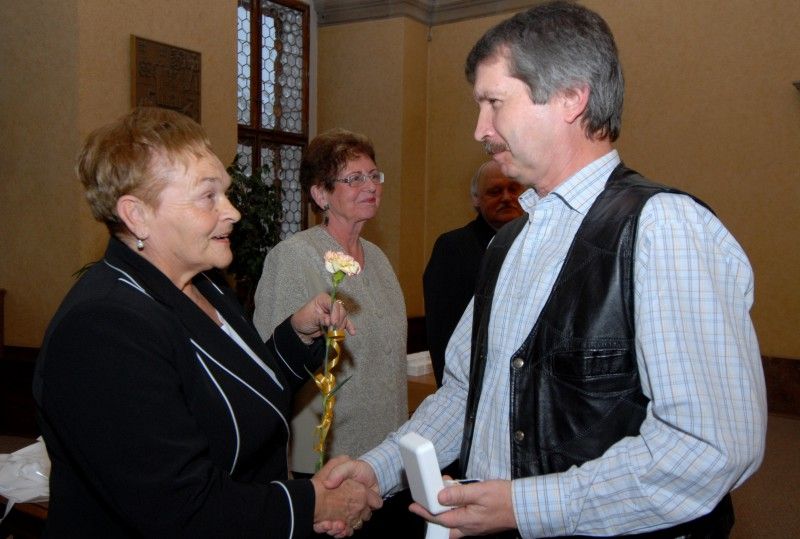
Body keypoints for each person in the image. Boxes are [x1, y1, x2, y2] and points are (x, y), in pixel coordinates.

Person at [326, 2, 767, 537]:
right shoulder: (509, 243)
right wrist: (379, 467)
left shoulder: (662, 228)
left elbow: (710, 448)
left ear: (570, 97)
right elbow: (467, 394)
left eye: (494, 103)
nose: (479, 130)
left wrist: (526, 506)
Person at [32, 107, 380, 538]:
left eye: (226, 194)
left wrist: (295, 336)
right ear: (136, 214)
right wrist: (312, 502)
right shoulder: (102, 328)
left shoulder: (203, 284)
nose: (232, 212)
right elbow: (179, 507)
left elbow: (235, 394)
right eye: (208, 196)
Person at [253, 128, 408, 477]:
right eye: (354, 179)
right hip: (327, 462)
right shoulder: (293, 257)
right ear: (321, 194)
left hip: (387, 457)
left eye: (374, 175)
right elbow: (268, 372)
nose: (370, 186)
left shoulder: (379, 259)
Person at [423, 160, 524, 386]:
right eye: (495, 191)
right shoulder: (453, 248)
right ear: (476, 199)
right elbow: (443, 333)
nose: (506, 197)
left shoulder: (537, 243)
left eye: (513, 189)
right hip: (472, 384)